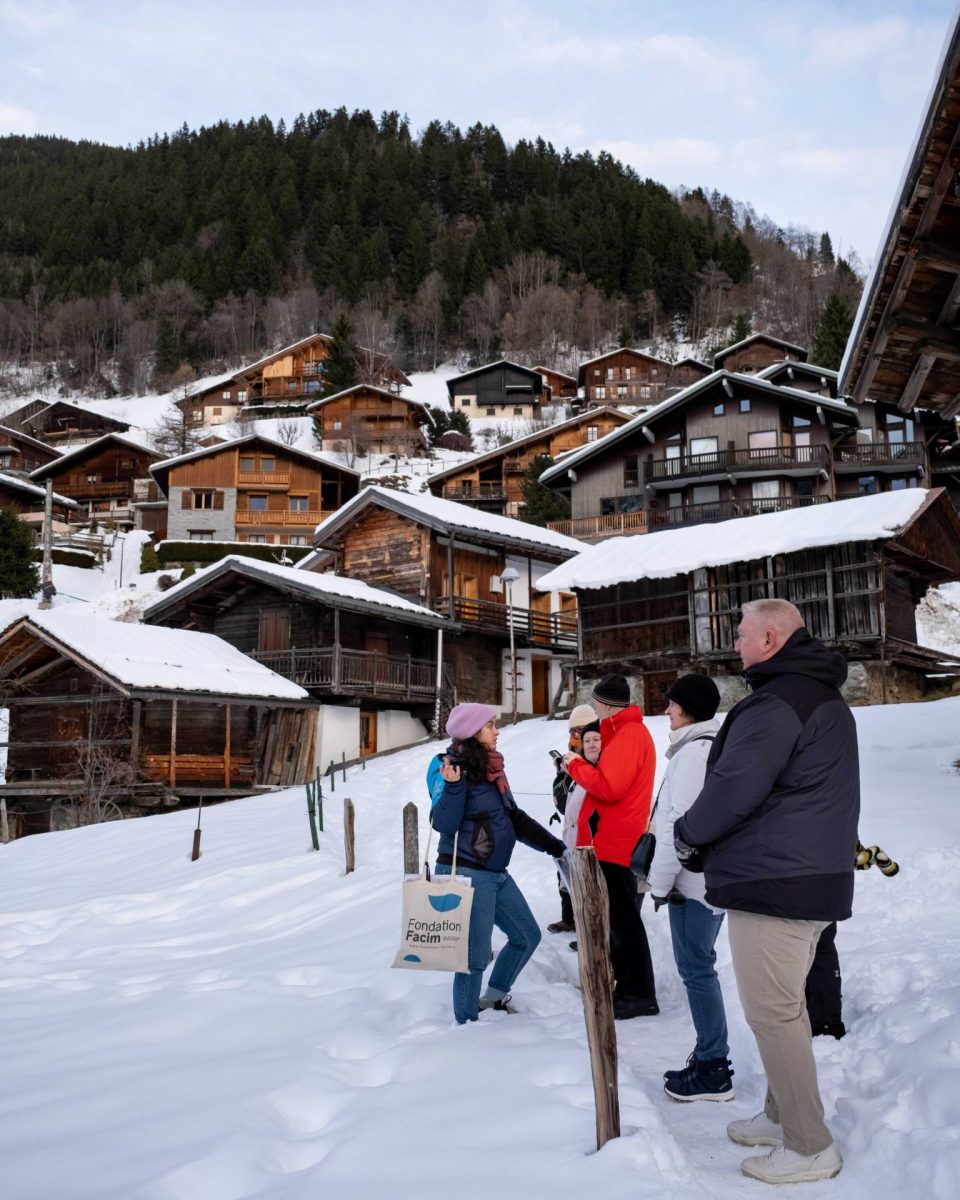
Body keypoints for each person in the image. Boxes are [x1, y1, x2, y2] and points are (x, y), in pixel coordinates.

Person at [676, 598, 858, 1185]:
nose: (734, 642)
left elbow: (733, 788)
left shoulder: (778, 701)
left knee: (773, 1011)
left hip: (775, 878)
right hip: (806, 875)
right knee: (788, 1006)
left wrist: (684, 836)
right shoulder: (815, 694)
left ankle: (809, 1146)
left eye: (742, 633)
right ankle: (784, 1116)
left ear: (772, 638)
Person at [431, 702, 566, 1024]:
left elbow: (512, 818)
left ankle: (491, 999)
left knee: (526, 936)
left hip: (494, 873)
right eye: (491, 725)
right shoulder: (453, 769)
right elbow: (443, 823)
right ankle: (466, 1025)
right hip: (467, 872)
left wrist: (554, 846)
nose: (497, 730)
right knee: (474, 957)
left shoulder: (493, 770)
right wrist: (451, 787)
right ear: (473, 732)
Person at [647, 672, 734, 1101]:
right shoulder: (701, 748)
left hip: (692, 883)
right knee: (700, 968)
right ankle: (709, 1058)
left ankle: (714, 1067)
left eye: (672, 704)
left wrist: (659, 884)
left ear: (689, 709)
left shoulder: (694, 754)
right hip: (701, 880)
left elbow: (677, 826)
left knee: (697, 971)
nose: (666, 710)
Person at [563, 673, 658, 1020]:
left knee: (624, 921)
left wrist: (575, 766)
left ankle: (640, 992)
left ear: (603, 704)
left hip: (619, 842)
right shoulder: (621, 732)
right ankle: (628, 986)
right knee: (618, 920)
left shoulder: (629, 734)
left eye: (595, 700)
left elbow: (609, 787)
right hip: (613, 839)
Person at [547, 703, 598, 934]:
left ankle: (590, 931)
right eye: (573, 731)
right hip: (572, 825)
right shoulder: (571, 753)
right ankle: (569, 919)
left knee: (589, 881)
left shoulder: (595, 752)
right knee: (565, 873)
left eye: (581, 730)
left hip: (591, 830)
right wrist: (561, 771)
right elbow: (563, 801)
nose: (576, 736)